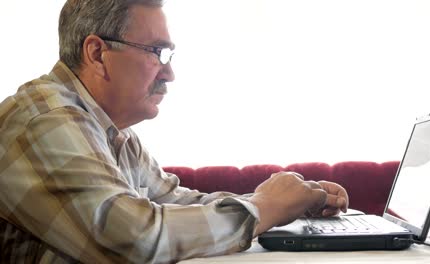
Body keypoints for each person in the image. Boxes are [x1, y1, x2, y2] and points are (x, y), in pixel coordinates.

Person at [0, 0, 349, 263]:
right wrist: (262, 207)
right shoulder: (46, 119)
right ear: (96, 53)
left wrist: (288, 205)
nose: (169, 74)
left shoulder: (109, 128)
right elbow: (134, 239)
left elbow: (173, 201)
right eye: (157, 52)